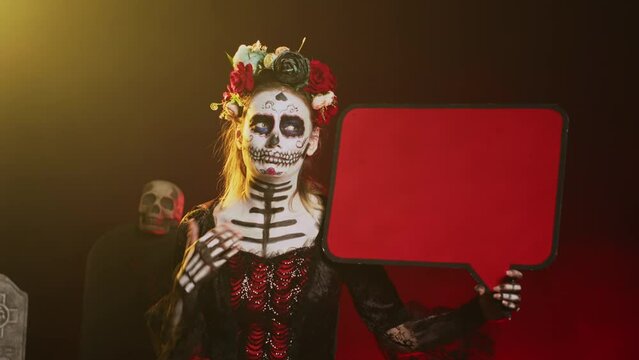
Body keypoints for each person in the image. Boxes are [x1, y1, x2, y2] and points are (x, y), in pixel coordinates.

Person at [147, 41, 523, 360]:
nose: (276, 140)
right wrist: (184, 290)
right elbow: (172, 349)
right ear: (240, 131)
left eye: (292, 127)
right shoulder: (201, 226)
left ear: (311, 141)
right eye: (262, 125)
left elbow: (395, 334)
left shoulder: (337, 226)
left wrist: (479, 311)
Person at [81, 180, 185, 360]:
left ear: (177, 213)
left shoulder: (182, 249)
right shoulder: (110, 245)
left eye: (166, 204)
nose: (155, 209)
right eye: (149, 200)